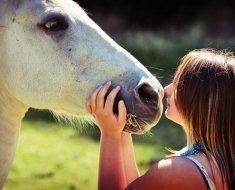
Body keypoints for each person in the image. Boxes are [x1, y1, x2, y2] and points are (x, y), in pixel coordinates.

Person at [86, 49, 235, 190]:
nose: (167, 89)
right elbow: (142, 185)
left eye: (178, 84)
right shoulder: (217, 163)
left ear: (203, 102)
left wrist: (109, 134)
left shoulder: (178, 171)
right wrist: (123, 132)